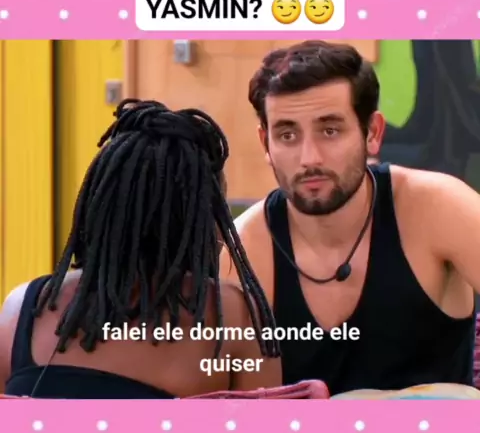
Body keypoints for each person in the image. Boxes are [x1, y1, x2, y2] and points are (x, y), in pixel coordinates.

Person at [220, 40, 479, 394]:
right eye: (287, 135)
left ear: (372, 133)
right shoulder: (244, 254)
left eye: (330, 130)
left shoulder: (439, 208)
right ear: (266, 143)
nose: (309, 158)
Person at [0, 100, 281, 398]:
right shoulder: (235, 316)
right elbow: (268, 427)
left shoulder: (23, 308)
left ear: (97, 205)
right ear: (204, 218)